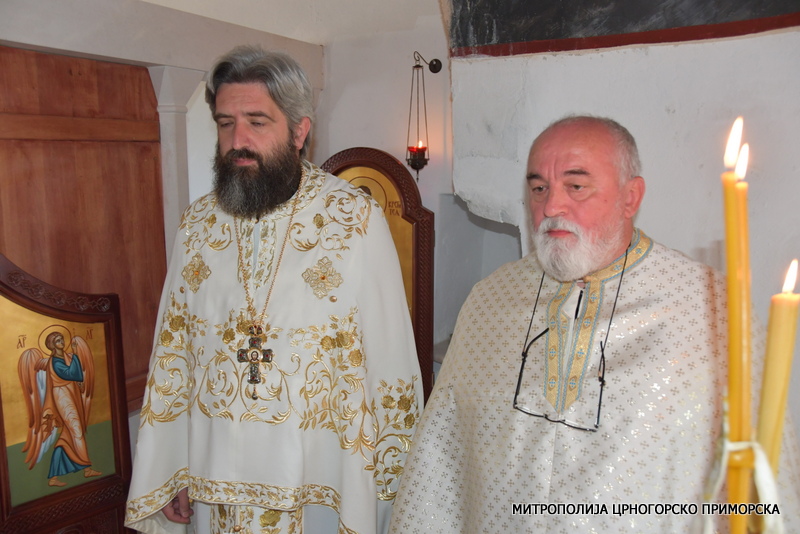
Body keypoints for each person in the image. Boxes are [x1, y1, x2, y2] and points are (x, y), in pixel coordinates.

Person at [388, 115, 800, 533]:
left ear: (630, 197)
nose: (551, 207)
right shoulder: (490, 300)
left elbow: (761, 466)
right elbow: (441, 462)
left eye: (576, 186)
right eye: (539, 188)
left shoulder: (710, 308)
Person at [125, 45, 421, 534]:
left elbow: (391, 360)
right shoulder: (198, 225)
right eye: (225, 123)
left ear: (299, 131)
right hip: (215, 478)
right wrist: (172, 467)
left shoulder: (353, 220)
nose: (237, 140)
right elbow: (175, 351)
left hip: (319, 480)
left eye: (257, 122)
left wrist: (396, 489)